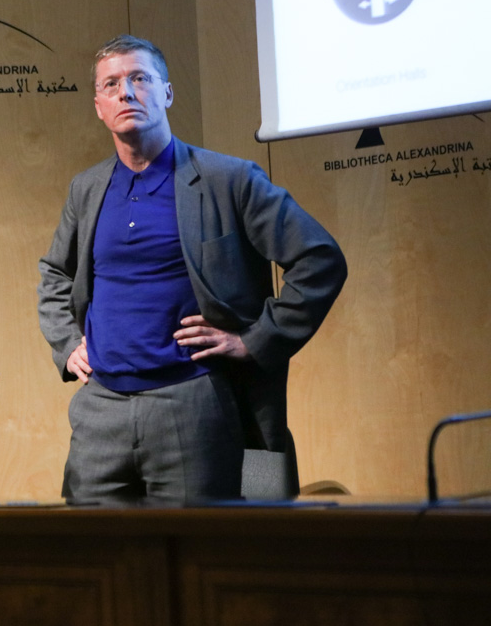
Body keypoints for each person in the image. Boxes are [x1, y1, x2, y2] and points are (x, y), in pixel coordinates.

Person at [37, 35, 346, 503]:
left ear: (166, 93)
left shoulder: (229, 179)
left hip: (191, 402)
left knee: (195, 542)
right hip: (99, 409)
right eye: (111, 84)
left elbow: (319, 259)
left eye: (140, 78)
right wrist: (66, 345)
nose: (126, 92)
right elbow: (55, 274)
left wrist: (254, 339)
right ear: (99, 106)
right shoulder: (87, 188)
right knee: (94, 544)